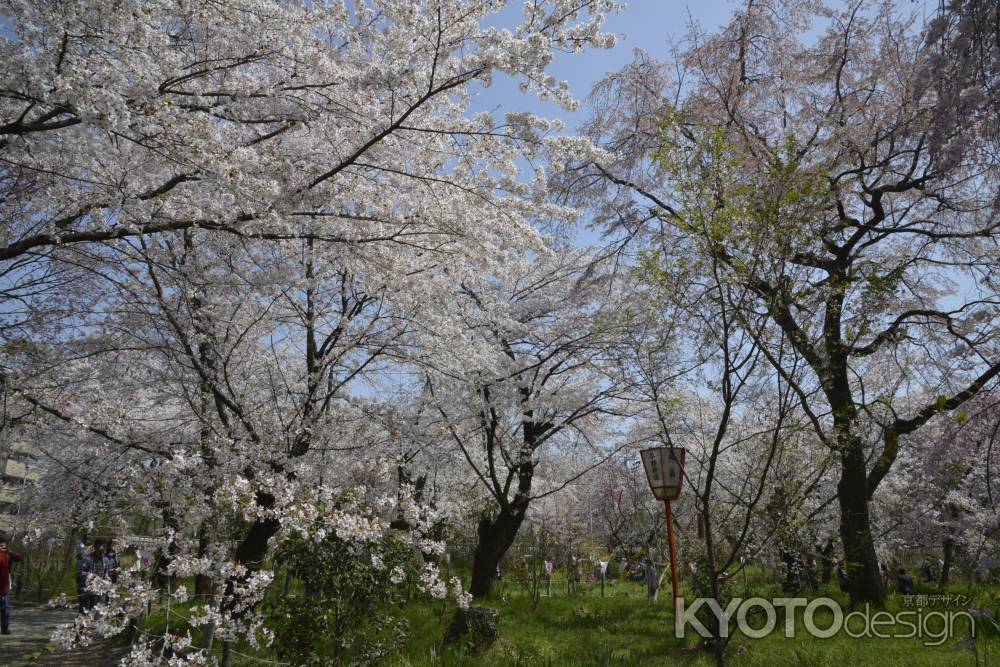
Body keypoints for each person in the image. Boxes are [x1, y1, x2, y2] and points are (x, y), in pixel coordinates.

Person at [77, 538, 111, 613]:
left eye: (105, 547)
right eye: (102, 547)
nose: (103, 549)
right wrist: (92, 576)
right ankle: (80, 624)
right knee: (84, 611)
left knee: (95, 610)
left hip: (98, 590)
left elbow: (106, 574)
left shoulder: (105, 560)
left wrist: (106, 582)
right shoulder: (87, 559)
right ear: (95, 547)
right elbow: (80, 573)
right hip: (86, 589)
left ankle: (92, 624)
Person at [0, 533, 23, 635]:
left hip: (5, 584)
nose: (2, 547)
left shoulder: (8, 555)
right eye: (0, 545)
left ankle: (5, 628)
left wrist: (9, 552)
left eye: (3, 545)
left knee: (5, 608)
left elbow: (18, 558)